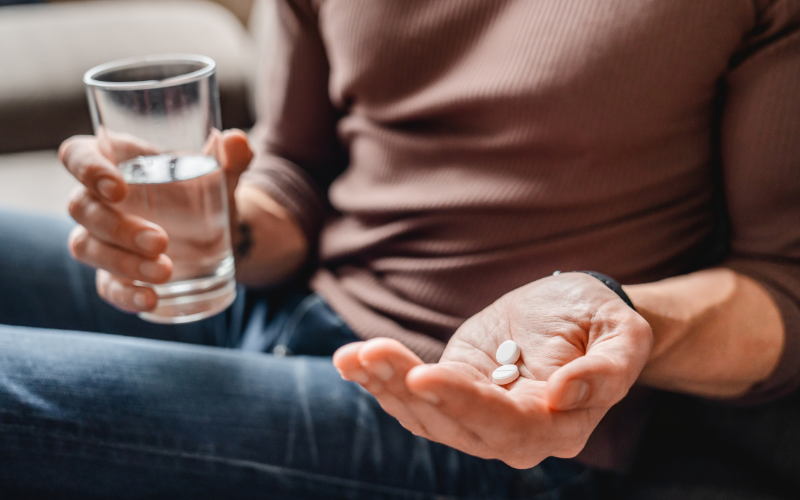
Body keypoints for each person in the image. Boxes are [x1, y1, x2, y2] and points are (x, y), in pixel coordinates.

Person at [2, 0, 799, 498]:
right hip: (284, 300)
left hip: (483, 417)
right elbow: (297, 175)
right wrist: (215, 222)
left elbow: (784, 284)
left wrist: (618, 312)